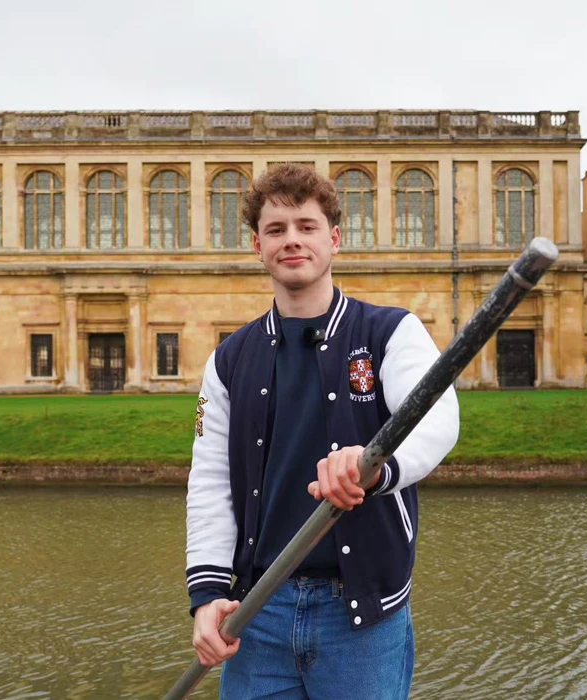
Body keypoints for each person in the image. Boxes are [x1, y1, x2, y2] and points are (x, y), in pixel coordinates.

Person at [185, 162, 459, 699]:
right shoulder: (227, 360)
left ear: (333, 239)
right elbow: (210, 481)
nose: (292, 240)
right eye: (276, 229)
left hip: (362, 620)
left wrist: (374, 466)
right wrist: (207, 594)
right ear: (258, 247)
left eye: (306, 226)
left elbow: (437, 416)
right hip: (256, 613)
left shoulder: (390, 331)